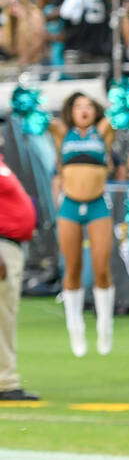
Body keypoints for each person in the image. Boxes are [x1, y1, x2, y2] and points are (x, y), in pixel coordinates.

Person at [48, 93, 117, 357]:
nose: (84, 110)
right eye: (78, 106)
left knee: (101, 267)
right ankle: (75, 329)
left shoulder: (103, 131)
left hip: (98, 203)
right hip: (70, 206)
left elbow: (121, 111)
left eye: (89, 105)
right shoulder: (61, 132)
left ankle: (104, 326)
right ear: (70, 111)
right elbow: (37, 117)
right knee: (73, 267)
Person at [0, 151, 38, 401]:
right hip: (2, 247)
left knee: (5, 314)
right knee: (2, 315)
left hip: (11, 245)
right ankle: (5, 381)